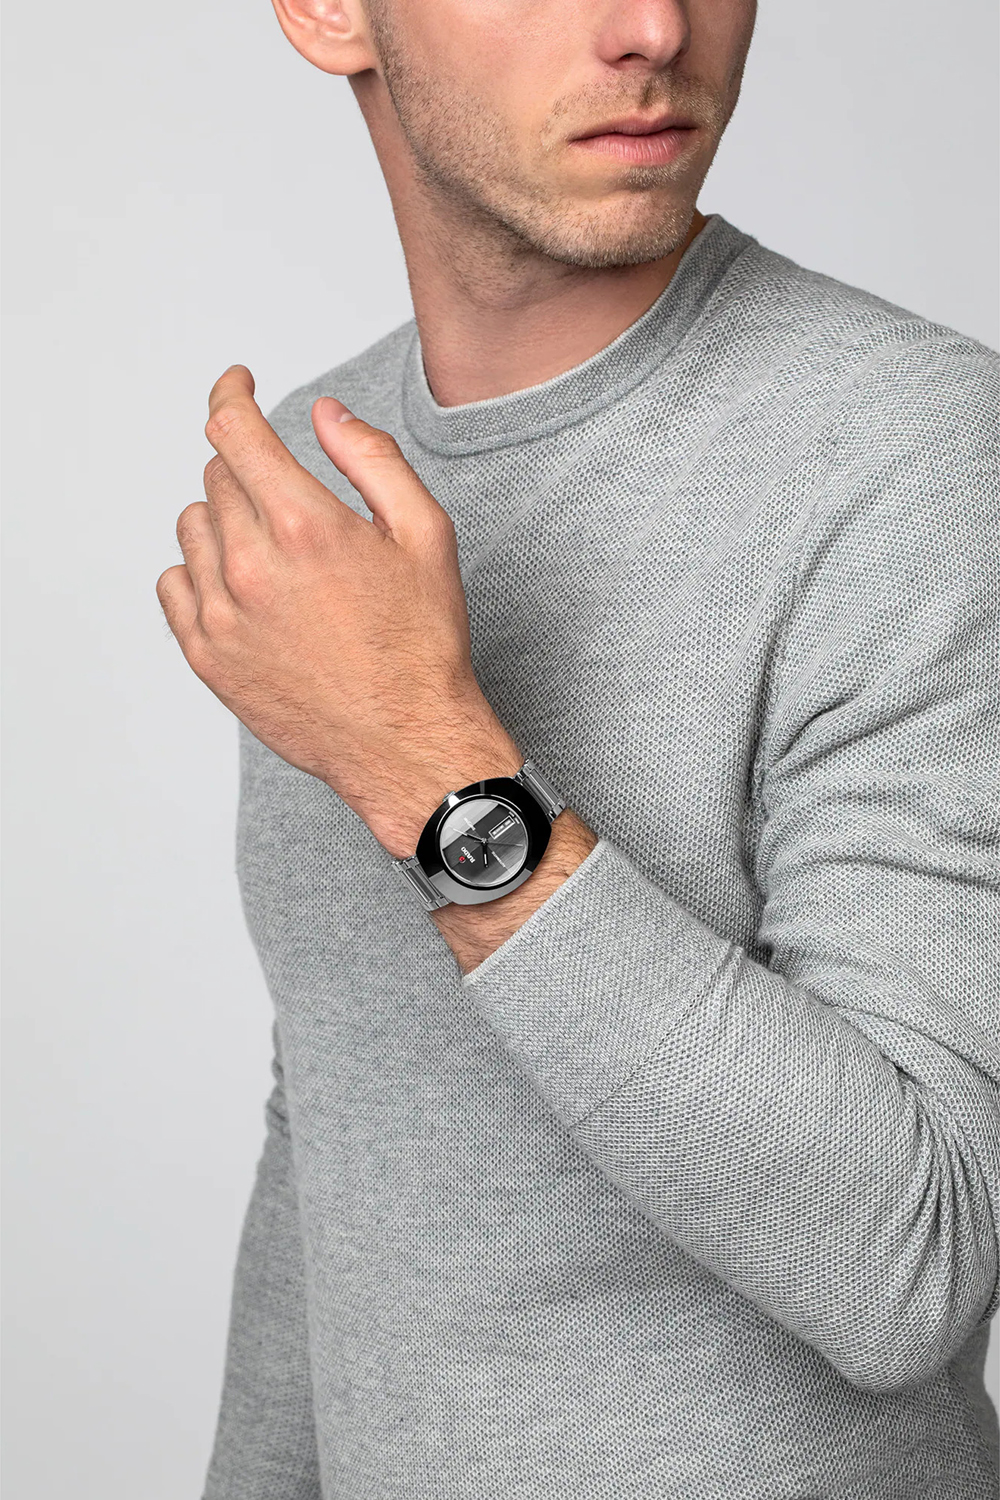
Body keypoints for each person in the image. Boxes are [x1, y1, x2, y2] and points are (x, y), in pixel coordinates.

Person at [155, 0, 1000, 1494]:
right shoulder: (318, 498)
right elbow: (342, 1129)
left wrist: (426, 766)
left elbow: (909, 1264)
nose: (655, 26)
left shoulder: (919, 455)